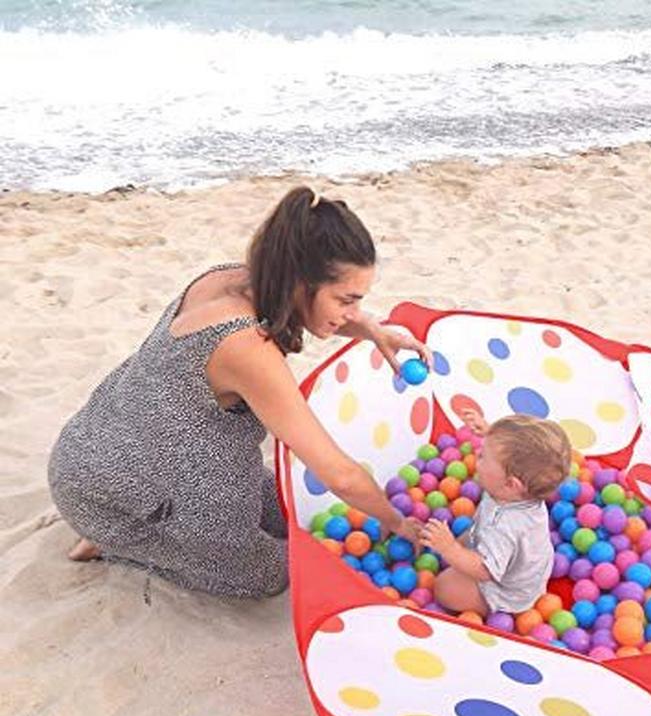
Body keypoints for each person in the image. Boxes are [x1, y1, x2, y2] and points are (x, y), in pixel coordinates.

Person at [48, 186, 425, 598]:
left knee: (290, 513)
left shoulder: (230, 279)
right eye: (347, 300)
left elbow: (311, 313)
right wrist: (396, 522)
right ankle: (118, 541)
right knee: (273, 574)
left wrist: (371, 330)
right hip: (120, 488)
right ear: (300, 282)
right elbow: (340, 475)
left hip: (110, 448)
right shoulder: (247, 347)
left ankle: (121, 528)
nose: (353, 313)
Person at [420, 410, 571, 616]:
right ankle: (461, 555)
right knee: (464, 541)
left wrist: (450, 549)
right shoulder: (519, 491)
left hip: (508, 591)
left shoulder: (505, 526)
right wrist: (491, 433)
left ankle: (496, 610)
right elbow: (518, 454)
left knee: (444, 587)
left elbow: (485, 571)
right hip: (518, 562)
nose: (477, 455)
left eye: (484, 456)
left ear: (511, 484)